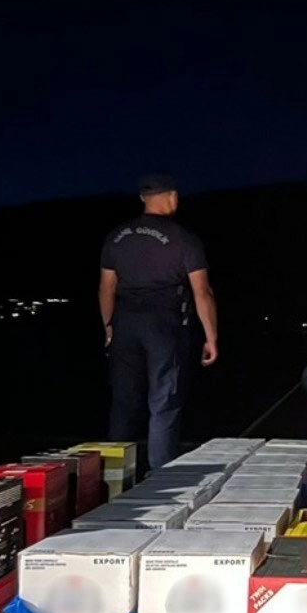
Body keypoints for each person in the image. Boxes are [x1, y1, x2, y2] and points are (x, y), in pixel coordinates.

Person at [98, 174, 218, 469]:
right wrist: (211, 337)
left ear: (143, 198)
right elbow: (202, 291)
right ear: (173, 196)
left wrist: (109, 327)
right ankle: (159, 473)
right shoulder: (184, 238)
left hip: (125, 323)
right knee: (164, 401)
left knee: (123, 402)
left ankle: (113, 475)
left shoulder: (117, 236)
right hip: (164, 325)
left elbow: (106, 288)